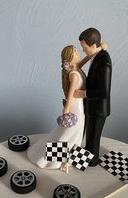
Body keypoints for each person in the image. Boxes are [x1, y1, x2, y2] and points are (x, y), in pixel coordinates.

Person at [27, 43, 108, 169]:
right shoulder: (74, 74)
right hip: (77, 106)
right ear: (70, 57)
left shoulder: (75, 67)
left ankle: (69, 155)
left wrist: (99, 49)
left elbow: (85, 60)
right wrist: (67, 108)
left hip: (80, 104)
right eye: (75, 52)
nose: (79, 53)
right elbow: (71, 94)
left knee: (75, 131)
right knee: (70, 131)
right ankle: (55, 159)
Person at [75, 27, 112, 167]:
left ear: (93, 45)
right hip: (92, 107)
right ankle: (88, 154)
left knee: (93, 137)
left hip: (99, 109)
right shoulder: (97, 54)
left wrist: (83, 93)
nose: (83, 50)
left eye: (84, 47)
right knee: (89, 136)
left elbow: (103, 92)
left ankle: (92, 160)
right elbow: (89, 56)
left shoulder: (104, 63)